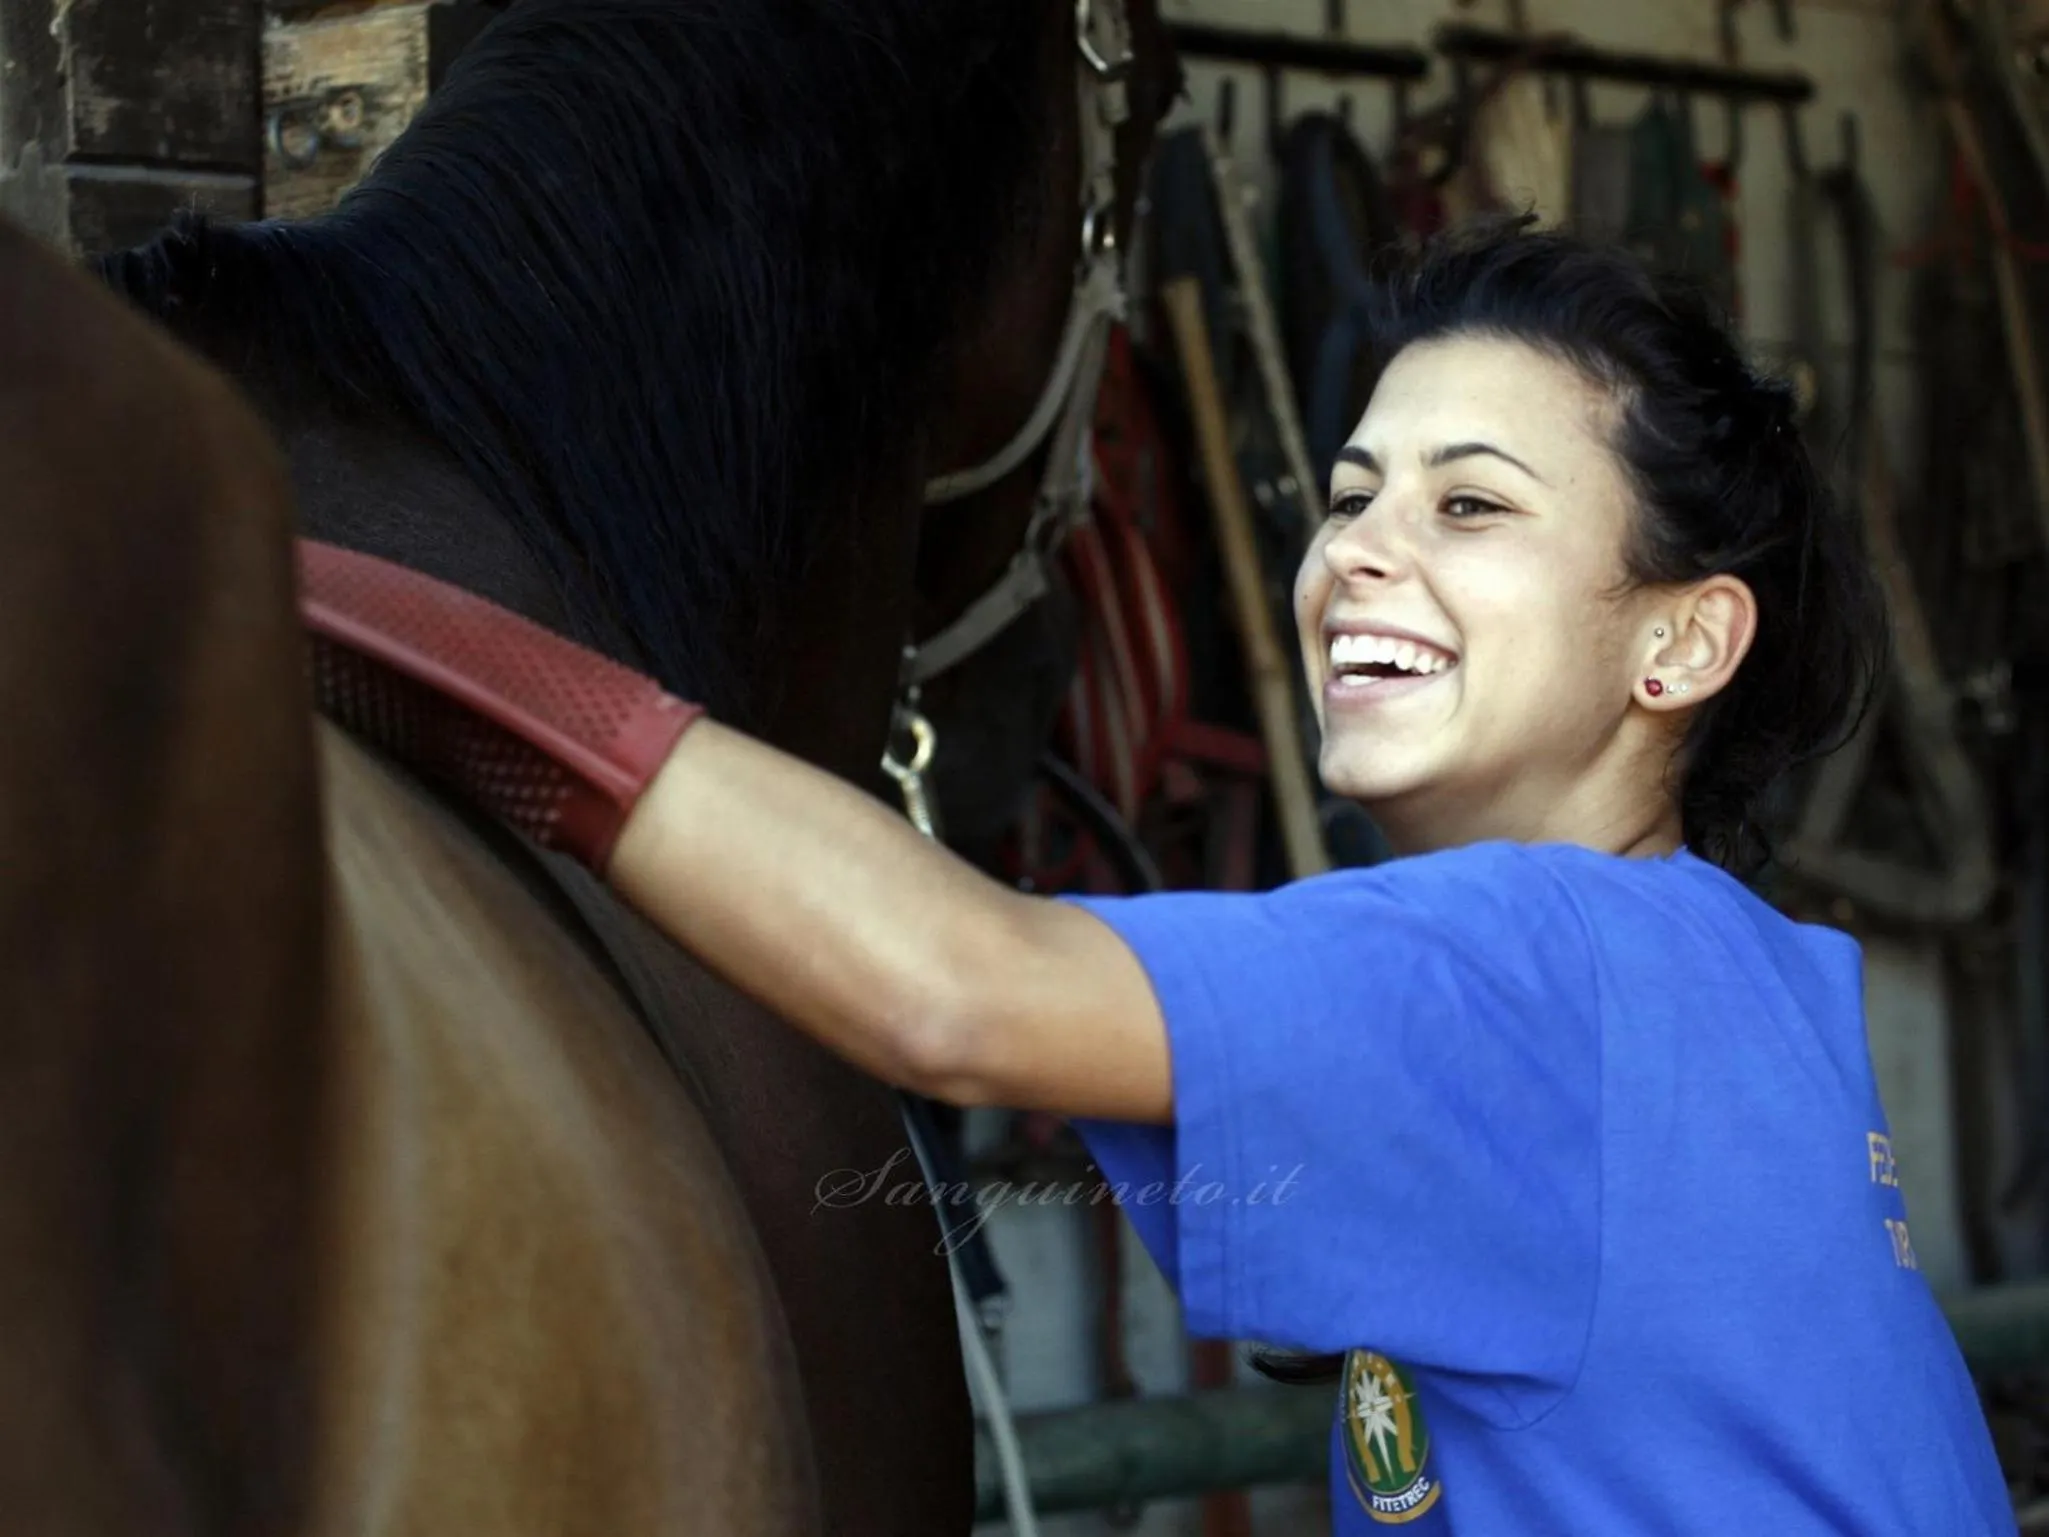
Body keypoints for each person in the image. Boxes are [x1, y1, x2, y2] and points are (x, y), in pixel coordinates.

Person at [323, 219, 2014, 1531]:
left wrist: (363, 617)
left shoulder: (1533, 961)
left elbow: (957, 991)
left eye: (1472, 507)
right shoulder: (1747, 977)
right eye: (1348, 496)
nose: (1359, 551)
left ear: (1682, 642)